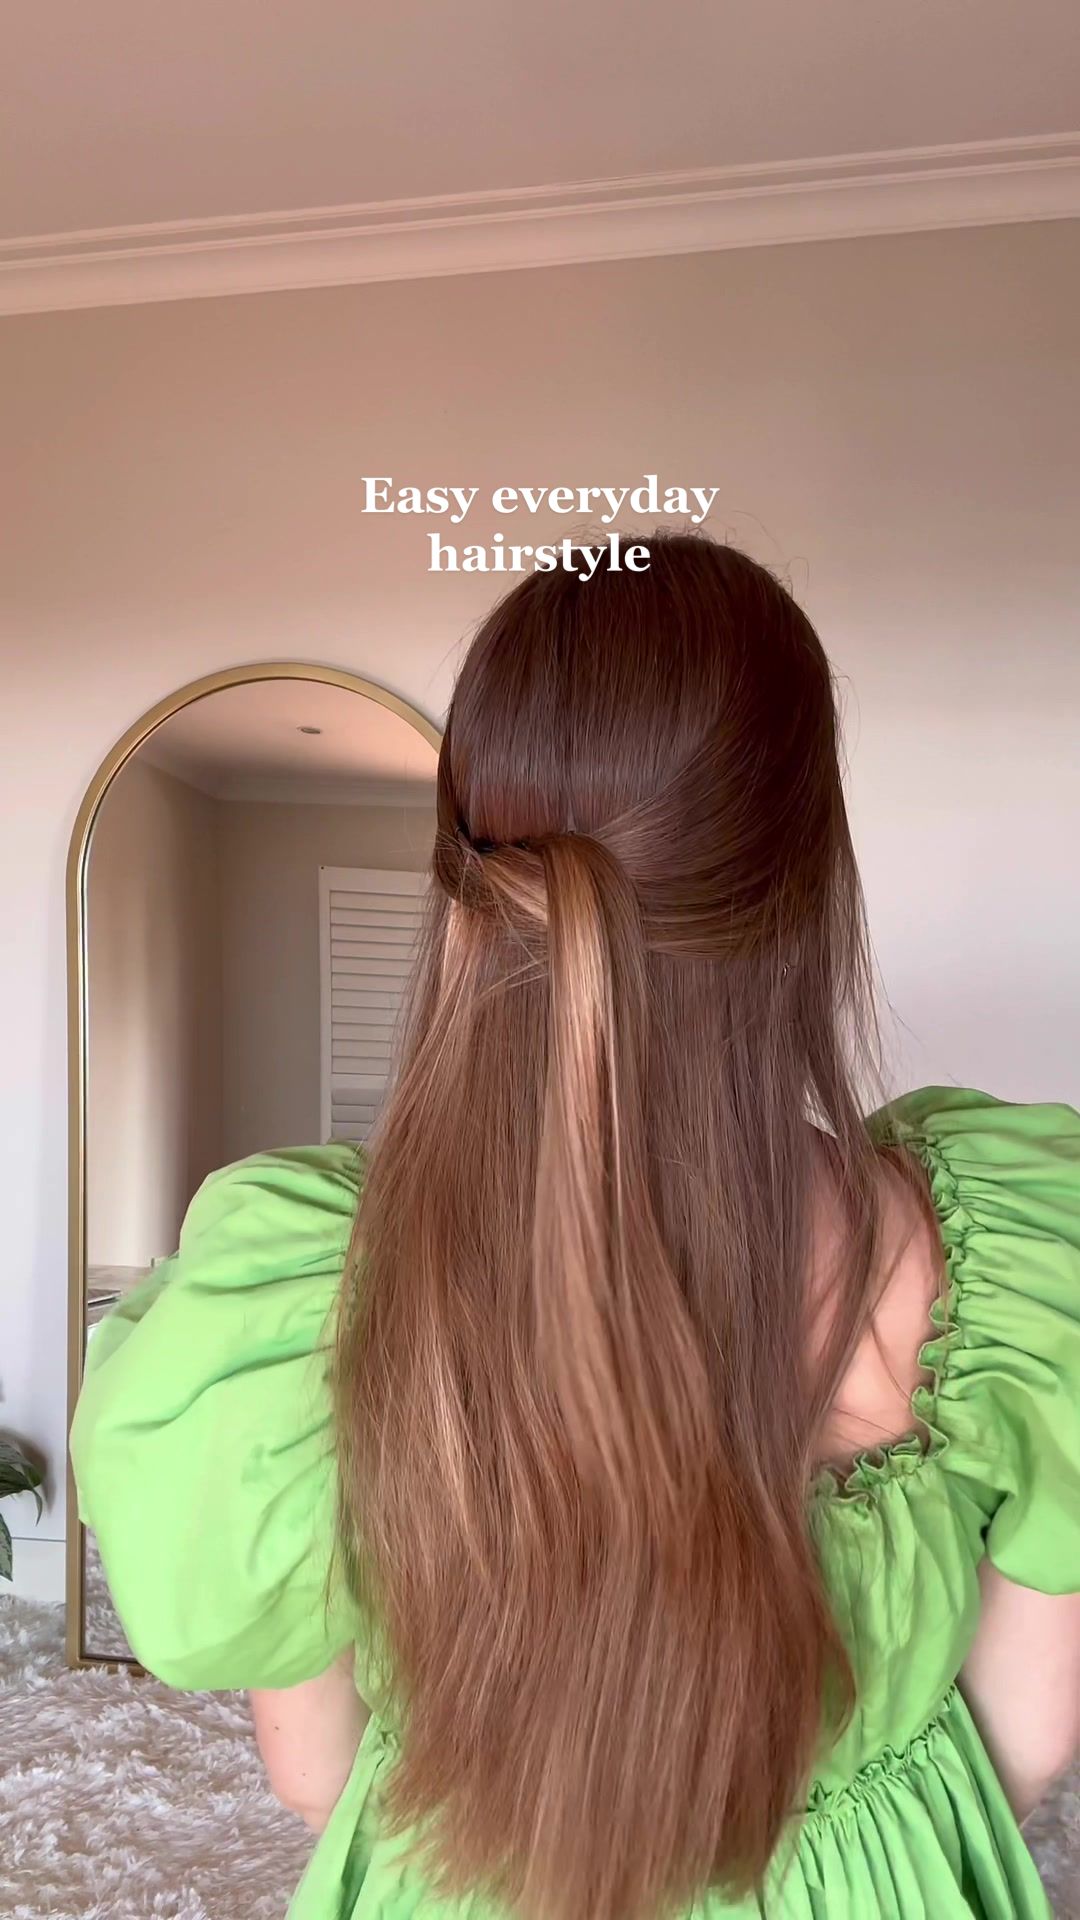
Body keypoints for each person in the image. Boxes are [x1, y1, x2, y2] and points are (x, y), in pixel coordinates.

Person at [71, 534, 1080, 1920]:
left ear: (471, 871)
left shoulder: (303, 1302)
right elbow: (1027, 1740)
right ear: (810, 873)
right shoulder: (1021, 1267)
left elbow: (316, 1774)